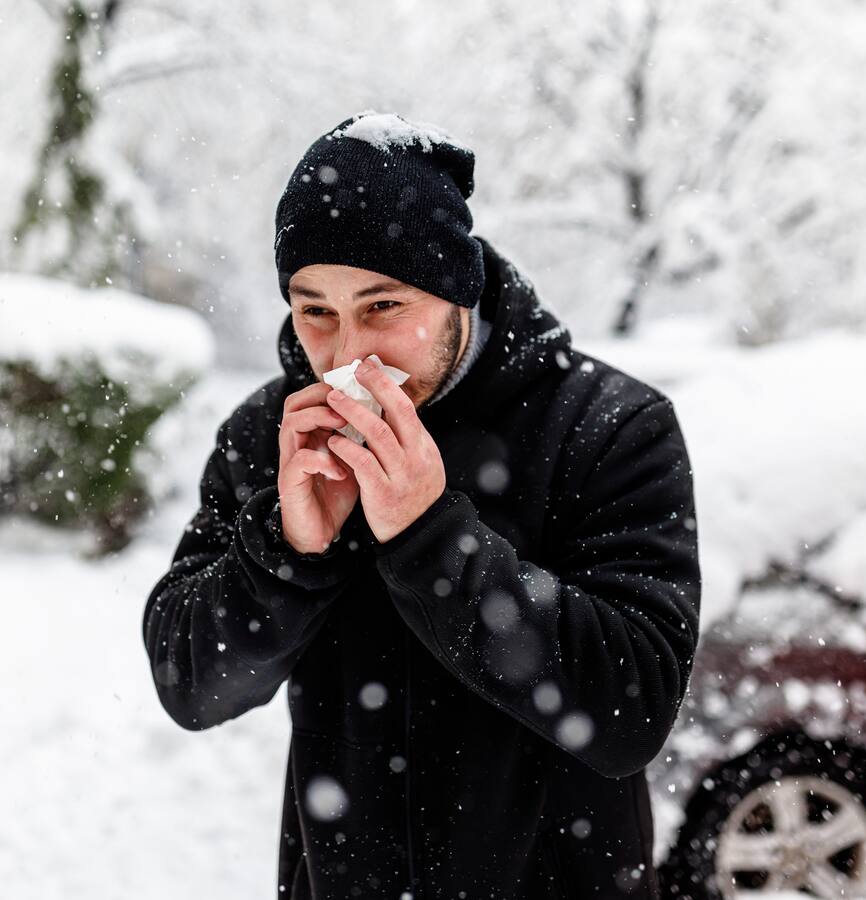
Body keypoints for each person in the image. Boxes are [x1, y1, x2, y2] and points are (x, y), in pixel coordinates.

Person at [142, 110, 701, 899]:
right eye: (316, 312)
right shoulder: (271, 434)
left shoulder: (608, 428)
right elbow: (191, 686)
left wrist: (432, 538)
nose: (344, 356)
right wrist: (286, 551)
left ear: (456, 295)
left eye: (383, 308)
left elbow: (631, 711)